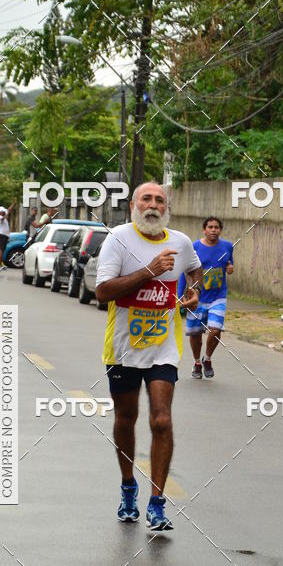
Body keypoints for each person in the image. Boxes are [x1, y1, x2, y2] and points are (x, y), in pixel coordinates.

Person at [95, 181, 202, 531]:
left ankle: (157, 502)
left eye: (159, 199)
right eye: (146, 199)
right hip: (124, 349)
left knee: (161, 421)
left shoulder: (181, 242)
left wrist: (194, 293)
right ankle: (129, 486)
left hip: (164, 348)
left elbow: (195, 271)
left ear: (167, 207)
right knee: (126, 418)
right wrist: (149, 272)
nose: (153, 205)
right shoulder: (119, 239)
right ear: (133, 205)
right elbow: (102, 292)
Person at [185, 216, 234, 379]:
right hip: (198, 296)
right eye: (210, 227)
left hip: (218, 296)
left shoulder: (227, 246)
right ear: (204, 230)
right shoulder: (195, 246)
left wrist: (230, 268)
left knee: (215, 329)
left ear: (220, 230)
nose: (213, 230)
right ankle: (197, 362)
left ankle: (208, 358)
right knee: (195, 333)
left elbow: (229, 264)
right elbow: (186, 271)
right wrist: (181, 295)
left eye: (216, 227)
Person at [0, 203, 14, 268]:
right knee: (1, 250)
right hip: (1, 235)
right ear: (0, 212)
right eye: (3, 211)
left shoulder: (3, 215)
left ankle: (0, 263)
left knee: (2, 250)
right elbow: (2, 218)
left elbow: (8, 210)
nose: (4, 212)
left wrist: (13, 204)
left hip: (5, 235)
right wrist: (6, 214)